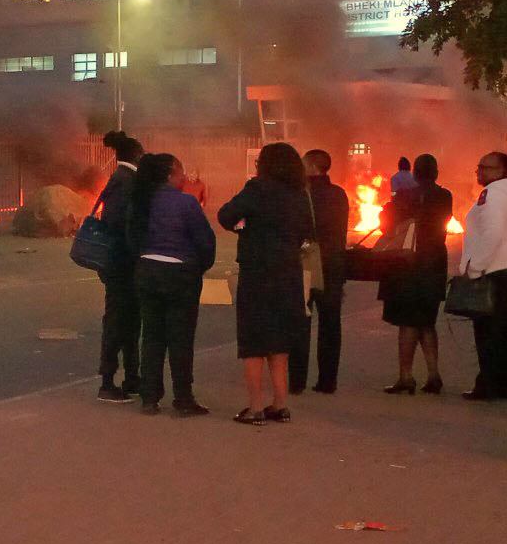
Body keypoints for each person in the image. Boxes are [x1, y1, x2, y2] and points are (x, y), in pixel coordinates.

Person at [217, 142, 313, 425]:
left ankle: (256, 407)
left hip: (258, 272)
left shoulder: (257, 189)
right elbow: (307, 231)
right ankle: (280, 404)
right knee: (280, 341)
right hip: (289, 272)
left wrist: (244, 227)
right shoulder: (299, 194)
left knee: (254, 341)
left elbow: (226, 215)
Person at [127, 152, 215, 415]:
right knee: (180, 339)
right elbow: (205, 242)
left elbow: (131, 240)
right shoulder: (186, 203)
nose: (184, 177)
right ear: (169, 174)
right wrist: (198, 267)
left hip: (147, 272)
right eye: (180, 172)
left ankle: (149, 398)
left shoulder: (141, 201)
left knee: (151, 337)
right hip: (180, 276)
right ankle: (183, 399)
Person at [379, 153, 453, 395]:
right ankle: (433, 374)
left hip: (406, 265)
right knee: (427, 322)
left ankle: (406, 376)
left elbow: (386, 226)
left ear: (414, 173)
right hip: (434, 263)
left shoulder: (402, 198)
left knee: (407, 323)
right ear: (436, 173)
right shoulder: (445, 196)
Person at [457, 152, 507, 401]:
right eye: (479, 166)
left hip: (495, 270)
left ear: (502, 171)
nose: (480, 172)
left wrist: (476, 268)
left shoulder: (493, 194)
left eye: (487, 168)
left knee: (488, 331)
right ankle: (505, 386)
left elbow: (493, 234)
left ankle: (488, 385)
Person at [92, 131, 145, 402]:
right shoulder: (128, 182)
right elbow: (124, 226)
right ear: (135, 154)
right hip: (124, 266)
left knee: (127, 321)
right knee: (120, 322)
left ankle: (130, 378)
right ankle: (109, 381)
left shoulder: (119, 179)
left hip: (117, 265)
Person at [299, 149, 352, 394]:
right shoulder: (339, 194)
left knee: (301, 321)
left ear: (311, 167)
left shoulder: (302, 194)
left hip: (308, 264)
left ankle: (296, 379)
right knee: (331, 325)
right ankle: (328, 380)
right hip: (334, 265)